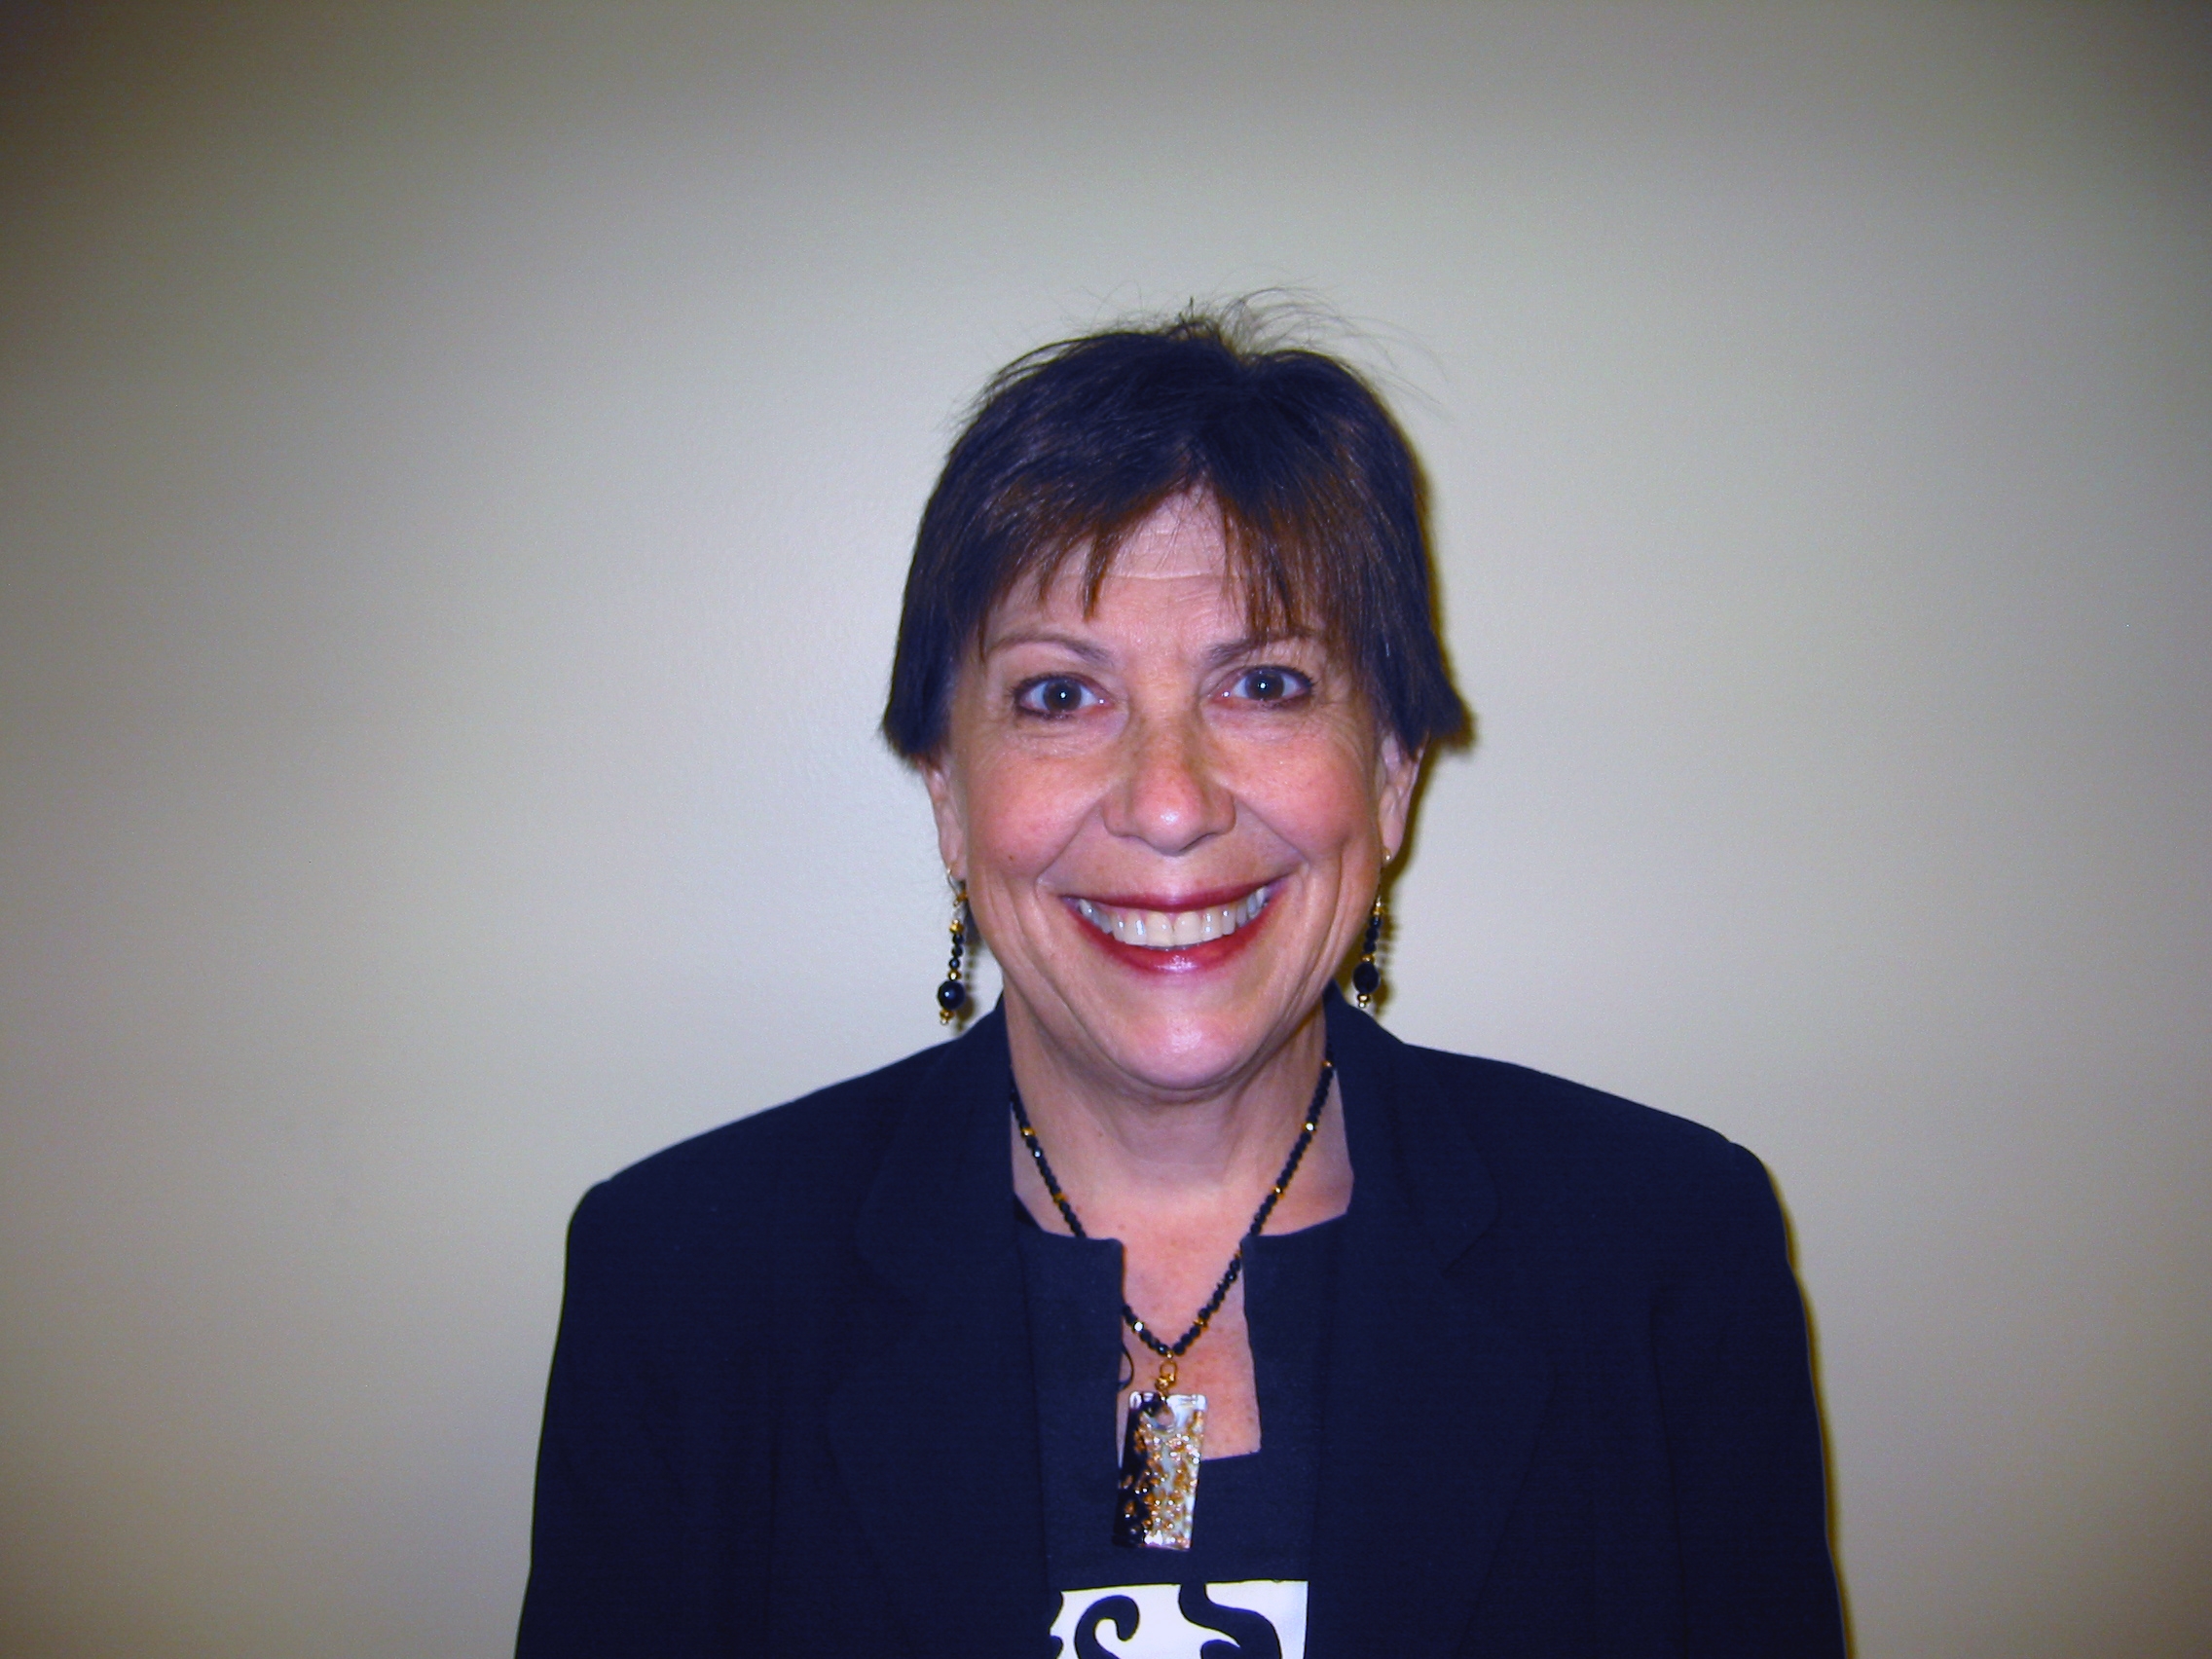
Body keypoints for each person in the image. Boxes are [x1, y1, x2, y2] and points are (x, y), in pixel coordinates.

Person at [515, 312, 1845, 1657]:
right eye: (1058, 696)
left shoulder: (1667, 1255)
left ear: (1392, 773)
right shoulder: (681, 1288)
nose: (1168, 804)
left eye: (1265, 683)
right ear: (946, 789)